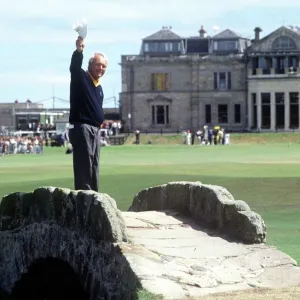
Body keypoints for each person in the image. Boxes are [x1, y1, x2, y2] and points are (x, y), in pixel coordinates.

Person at [68, 36, 108, 192]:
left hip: (95, 129)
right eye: (98, 64)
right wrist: (79, 51)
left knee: (94, 165)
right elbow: (74, 67)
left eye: (104, 66)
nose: (101, 68)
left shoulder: (99, 88)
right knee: (84, 164)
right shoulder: (81, 77)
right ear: (90, 64)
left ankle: (94, 197)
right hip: (82, 127)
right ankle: (85, 199)